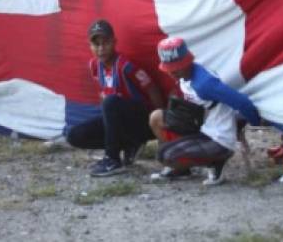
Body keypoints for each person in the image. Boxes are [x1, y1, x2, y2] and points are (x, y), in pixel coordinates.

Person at [149, 37, 260, 184]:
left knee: (167, 157)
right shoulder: (185, 74)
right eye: (169, 68)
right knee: (156, 118)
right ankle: (182, 168)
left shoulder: (205, 84)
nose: (172, 72)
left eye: (177, 67)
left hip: (217, 136)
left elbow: (242, 102)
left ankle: (216, 162)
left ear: (187, 60)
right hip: (201, 126)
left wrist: (253, 121)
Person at [66, 19, 164, 177]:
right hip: (119, 121)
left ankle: (112, 159)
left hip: (141, 121)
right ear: (90, 46)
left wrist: (160, 126)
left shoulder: (126, 66)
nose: (101, 49)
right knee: (74, 135)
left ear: (114, 42)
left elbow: (152, 88)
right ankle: (128, 144)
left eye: (105, 43)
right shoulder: (94, 66)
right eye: (96, 44)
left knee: (111, 102)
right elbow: (103, 95)